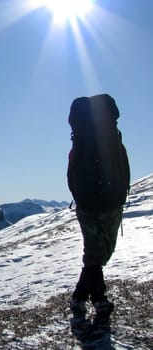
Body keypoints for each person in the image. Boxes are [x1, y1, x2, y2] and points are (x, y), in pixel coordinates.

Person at [67, 94, 130, 326]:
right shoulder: (114, 141)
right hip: (112, 200)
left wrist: (80, 198)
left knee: (97, 254)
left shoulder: (79, 145)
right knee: (98, 254)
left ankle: (80, 296)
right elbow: (124, 166)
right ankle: (98, 298)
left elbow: (71, 175)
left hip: (88, 202)